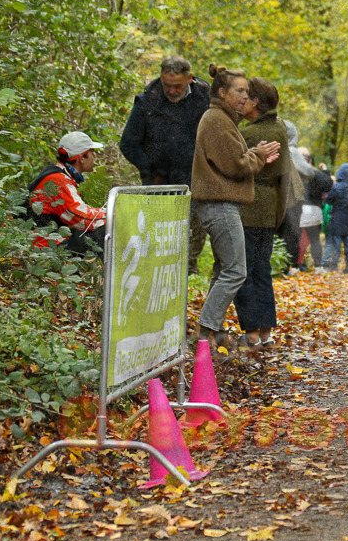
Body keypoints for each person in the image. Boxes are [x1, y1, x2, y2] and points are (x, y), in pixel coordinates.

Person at [191, 66, 279, 350]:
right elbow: (236, 165)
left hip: (223, 204)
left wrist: (254, 154)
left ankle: (212, 330)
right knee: (236, 271)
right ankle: (205, 331)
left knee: (223, 269)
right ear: (222, 93)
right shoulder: (216, 119)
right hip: (219, 204)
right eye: (239, 91)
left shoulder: (224, 119)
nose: (245, 96)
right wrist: (259, 155)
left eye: (247, 91)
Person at [119, 56, 211, 274]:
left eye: (177, 86)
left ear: (189, 79)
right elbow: (128, 143)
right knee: (158, 238)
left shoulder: (204, 99)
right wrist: (150, 170)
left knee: (193, 235)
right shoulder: (147, 102)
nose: (171, 90)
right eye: (167, 85)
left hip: (195, 180)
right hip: (158, 185)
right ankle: (155, 276)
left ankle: (187, 276)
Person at [234, 77, 298, 352]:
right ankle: (265, 332)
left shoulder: (249, 134)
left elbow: (233, 166)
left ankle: (251, 333)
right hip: (269, 208)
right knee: (261, 269)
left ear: (256, 102)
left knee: (244, 271)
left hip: (248, 208)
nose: (241, 101)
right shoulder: (280, 128)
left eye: (246, 97)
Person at [28, 131, 107, 255]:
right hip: (43, 246)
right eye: (92, 153)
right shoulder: (59, 181)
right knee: (102, 232)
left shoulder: (57, 173)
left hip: (42, 241)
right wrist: (113, 214)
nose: (94, 158)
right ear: (82, 158)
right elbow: (82, 219)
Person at [278, 120, 317, 271]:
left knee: (279, 233)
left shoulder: (273, 148)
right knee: (293, 232)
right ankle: (290, 265)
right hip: (294, 198)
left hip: (277, 197)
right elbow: (309, 171)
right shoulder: (292, 151)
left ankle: (278, 264)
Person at [298, 147, 332, 270]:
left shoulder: (295, 172)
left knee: (299, 239)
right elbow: (328, 184)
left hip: (299, 209)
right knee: (315, 240)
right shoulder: (316, 174)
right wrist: (325, 171)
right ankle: (318, 266)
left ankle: (298, 264)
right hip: (314, 210)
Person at [323, 163, 348, 272]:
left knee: (336, 241)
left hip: (337, 216)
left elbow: (328, 200)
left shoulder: (336, 186)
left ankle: (334, 265)